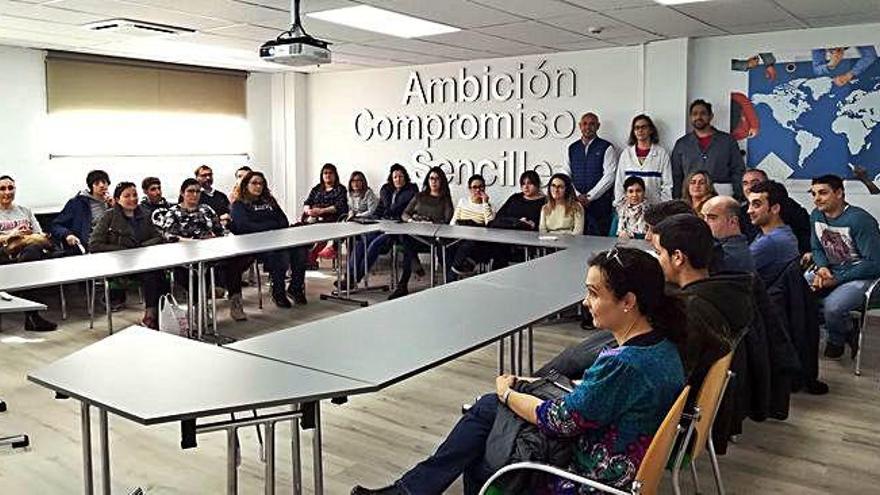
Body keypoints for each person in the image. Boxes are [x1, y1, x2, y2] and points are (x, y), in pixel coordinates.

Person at [351, 248, 686, 495]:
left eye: (594, 293)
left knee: (485, 437)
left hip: (590, 479)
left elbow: (560, 420)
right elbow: (599, 401)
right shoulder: (662, 347)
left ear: (628, 301)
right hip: (618, 460)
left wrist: (509, 393)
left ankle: (408, 492)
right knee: (488, 410)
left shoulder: (622, 364)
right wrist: (530, 387)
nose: (585, 302)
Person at [650, 214, 754, 389]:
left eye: (659, 253)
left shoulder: (689, 312)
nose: (657, 260)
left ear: (677, 257)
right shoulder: (726, 294)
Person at [153, 179, 252, 321]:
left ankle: (235, 302)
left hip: (212, 252)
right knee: (196, 272)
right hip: (186, 256)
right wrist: (194, 242)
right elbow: (169, 236)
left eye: (197, 191)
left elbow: (220, 230)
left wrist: (229, 238)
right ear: (182, 193)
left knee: (235, 262)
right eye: (190, 191)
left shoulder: (206, 209)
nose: (194, 195)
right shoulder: (173, 213)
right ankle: (200, 307)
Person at [806, 175, 880, 359]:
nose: (817, 199)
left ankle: (838, 338)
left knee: (833, 307)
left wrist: (836, 280)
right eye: (814, 193)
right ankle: (846, 325)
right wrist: (822, 268)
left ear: (839, 193)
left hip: (861, 275)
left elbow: (874, 264)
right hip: (831, 270)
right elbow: (816, 247)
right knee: (796, 293)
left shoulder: (860, 220)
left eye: (823, 193)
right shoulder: (816, 215)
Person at [89, 182, 167, 329]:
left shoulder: (144, 215)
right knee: (152, 273)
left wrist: (142, 247)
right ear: (117, 199)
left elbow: (157, 237)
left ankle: (161, 312)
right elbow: (94, 244)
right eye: (127, 196)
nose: (132, 199)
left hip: (143, 263)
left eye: (135, 195)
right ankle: (151, 315)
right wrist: (122, 249)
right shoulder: (109, 217)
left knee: (159, 272)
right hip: (119, 267)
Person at [230, 171, 309, 307]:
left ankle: (295, 288)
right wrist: (271, 225)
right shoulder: (239, 204)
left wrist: (264, 226)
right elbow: (245, 227)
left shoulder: (269, 201)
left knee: (300, 250)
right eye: (254, 183)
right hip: (255, 245)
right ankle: (278, 292)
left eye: (261, 183)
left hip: (278, 240)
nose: (258, 186)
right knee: (281, 255)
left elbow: (283, 221)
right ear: (246, 185)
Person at [342, 164, 419, 288]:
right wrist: (369, 220)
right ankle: (349, 276)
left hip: (398, 230)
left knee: (375, 244)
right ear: (391, 179)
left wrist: (386, 204)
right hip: (381, 224)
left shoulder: (410, 191)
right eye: (395, 177)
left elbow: (396, 209)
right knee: (361, 243)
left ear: (405, 178)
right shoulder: (388, 191)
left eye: (400, 176)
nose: (398, 179)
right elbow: (379, 210)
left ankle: (356, 278)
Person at [0, 175, 57, 331]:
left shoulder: (25, 211)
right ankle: (32, 317)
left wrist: (23, 238)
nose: (7, 192)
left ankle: (32, 316)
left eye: (10, 188)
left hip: (27, 253)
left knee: (31, 252)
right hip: (3, 254)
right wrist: (11, 236)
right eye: (2, 188)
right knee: (30, 256)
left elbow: (41, 236)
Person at [393, 166, 454, 299]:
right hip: (416, 236)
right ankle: (405, 281)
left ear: (442, 181)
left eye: (437, 179)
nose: (434, 181)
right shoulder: (419, 196)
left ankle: (403, 284)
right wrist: (411, 220)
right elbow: (405, 213)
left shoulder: (445, 200)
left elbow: (447, 221)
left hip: (434, 239)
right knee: (404, 235)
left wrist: (430, 223)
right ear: (428, 180)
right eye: (431, 178)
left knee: (408, 248)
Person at [671, 99, 746, 200]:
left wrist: (739, 196)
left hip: (721, 195)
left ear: (711, 116)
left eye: (703, 113)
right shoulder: (682, 144)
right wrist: (677, 200)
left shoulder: (727, 141)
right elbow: (676, 175)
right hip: (691, 198)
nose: (698, 117)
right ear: (690, 117)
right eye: (694, 114)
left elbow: (737, 170)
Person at [562, 112, 617, 236]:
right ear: (580, 126)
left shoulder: (606, 147)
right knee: (575, 241)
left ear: (598, 126)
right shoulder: (572, 148)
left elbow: (609, 176)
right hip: (575, 203)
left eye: (592, 124)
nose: (588, 127)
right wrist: (576, 195)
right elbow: (566, 174)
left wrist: (589, 197)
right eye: (585, 124)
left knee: (598, 243)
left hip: (600, 205)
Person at [739, 168, 811, 253]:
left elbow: (805, 232)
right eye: (745, 184)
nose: (749, 187)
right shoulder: (740, 212)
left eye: (755, 182)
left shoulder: (789, 206)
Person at [489, 170, 546, 269]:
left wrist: (532, 224)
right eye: (523, 184)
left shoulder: (544, 201)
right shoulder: (515, 198)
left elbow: (543, 224)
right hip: (505, 235)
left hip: (528, 239)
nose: (526, 187)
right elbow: (499, 216)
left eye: (530, 183)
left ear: (537, 184)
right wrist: (517, 221)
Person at [747, 181, 800, 284]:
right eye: (750, 204)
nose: (749, 210)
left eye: (756, 205)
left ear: (775, 208)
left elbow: (734, 269)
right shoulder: (783, 233)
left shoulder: (772, 241)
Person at [50, 169, 112, 255]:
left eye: (104, 182)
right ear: (91, 186)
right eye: (97, 183)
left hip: (111, 242)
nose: (101, 185)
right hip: (88, 244)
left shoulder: (113, 203)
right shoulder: (77, 203)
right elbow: (56, 225)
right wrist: (67, 234)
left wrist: (115, 207)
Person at [614, 114, 672, 205]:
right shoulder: (626, 154)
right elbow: (619, 183)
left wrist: (663, 207)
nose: (640, 130)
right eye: (636, 128)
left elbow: (667, 185)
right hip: (630, 210)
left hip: (654, 208)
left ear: (651, 130)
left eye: (644, 127)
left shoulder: (661, 154)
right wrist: (621, 205)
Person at [448, 174, 495, 277]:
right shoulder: (463, 201)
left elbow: (490, 225)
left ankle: (452, 275)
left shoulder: (489, 206)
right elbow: (454, 220)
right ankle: (458, 269)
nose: (478, 190)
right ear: (469, 189)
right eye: (474, 187)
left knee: (467, 245)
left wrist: (485, 203)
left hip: (477, 240)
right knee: (444, 247)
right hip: (459, 236)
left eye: (481, 187)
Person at [302, 163, 349, 263]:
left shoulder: (340, 189)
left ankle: (311, 258)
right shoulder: (317, 188)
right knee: (299, 229)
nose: (327, 175)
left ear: (335, 175)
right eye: (325, 173)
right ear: (322, 175)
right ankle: (302, 257)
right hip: (313, 217)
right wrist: (308, 210)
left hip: (331, 219)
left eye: (330, 173)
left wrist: (321, 211)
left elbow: (340, 206)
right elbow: (307, 202)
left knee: (322, 231)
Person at [700, 195, 755, 273]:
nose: (705, 223)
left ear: (733, 221)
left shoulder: (727, 255)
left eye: (712, 218)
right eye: (703, 217)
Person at [812, 46, 878, 87]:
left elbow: (870, 56)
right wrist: (831, 65)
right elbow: (817, 69)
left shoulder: (854, 34)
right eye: (832, 51)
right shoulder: (819, 43)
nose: (835, 53)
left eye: (838, 50)